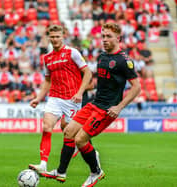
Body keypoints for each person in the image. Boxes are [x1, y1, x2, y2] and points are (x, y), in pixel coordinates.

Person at [42, 23, 141, 186]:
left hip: (106, 109)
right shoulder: (102, 56)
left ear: (118, 38)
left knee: (80, 139)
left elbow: (136, 87)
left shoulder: (124, 61)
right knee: (68, 131)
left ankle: (96, 172)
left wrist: (118, 107)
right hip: (94, 103)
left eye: (108, 36)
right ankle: (61, 172)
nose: (104, 39)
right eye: (103, 36)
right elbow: (100, 82)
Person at [28, 25, 92, 174]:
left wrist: (80, 92)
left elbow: (88, 73)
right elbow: (47, 81)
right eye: (52, 36)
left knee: (71, 133)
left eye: (58, 36)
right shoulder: (47, 58)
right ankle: (43, 164)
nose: (55, 39)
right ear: (49, 38)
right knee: (46, 127)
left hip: (72, 99)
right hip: (55, 98)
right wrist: (38, 98)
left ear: (63, 37)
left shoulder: (72, 52)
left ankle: (92, 156)